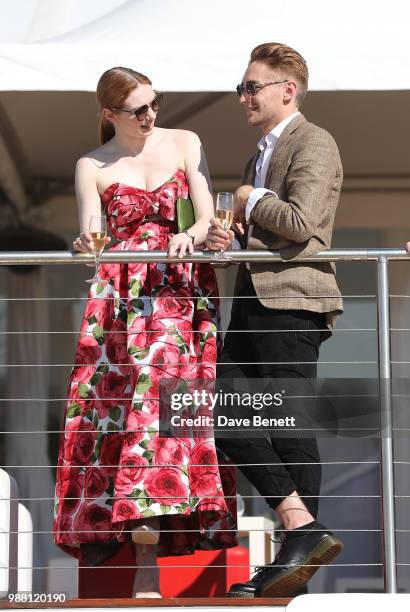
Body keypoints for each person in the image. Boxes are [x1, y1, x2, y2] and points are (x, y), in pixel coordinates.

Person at [53, 67, 237, 598]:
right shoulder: (92, 163)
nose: (151, 115)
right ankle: (137, 538)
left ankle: (156, 537)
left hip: (179, 289)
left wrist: (194, 235)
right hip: (122, 294)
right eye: (139, 109)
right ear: (110, 114)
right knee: (120, 406)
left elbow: (206, 217)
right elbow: (90, 231)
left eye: (155, 103)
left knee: (167, 405)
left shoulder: (184, 140)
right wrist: (85, 246)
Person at [206, 43, 344, 597]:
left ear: (287, 89)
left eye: (251, 86)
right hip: (254, 299)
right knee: (221, 410)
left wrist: (250, 197)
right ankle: (302, 528)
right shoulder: (256, 155)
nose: (242, 96)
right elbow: (264, 233)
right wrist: (230, 236)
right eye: (241, 87)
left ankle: (296, 554)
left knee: (287, 425)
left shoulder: (314, 141)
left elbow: (300, 222)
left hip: (294, 302)